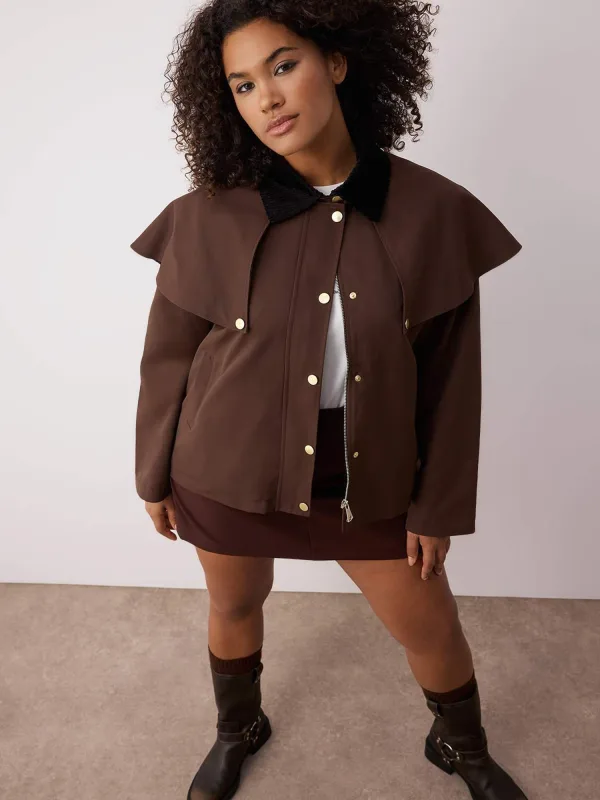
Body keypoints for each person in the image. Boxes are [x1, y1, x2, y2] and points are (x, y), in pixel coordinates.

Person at [129, 1, 528, 798]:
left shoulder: (434, 212)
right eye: (243, 85)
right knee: (234, 605)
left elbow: (452, 377)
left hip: (368, 472)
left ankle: (463, 746)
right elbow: (168, 358)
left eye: (283, 66)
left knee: (430, 623)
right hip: (227, 467)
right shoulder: (205, 215)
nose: (267, 98)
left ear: (337, 63)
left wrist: (437, 506)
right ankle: (238, 728)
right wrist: (153, 474)